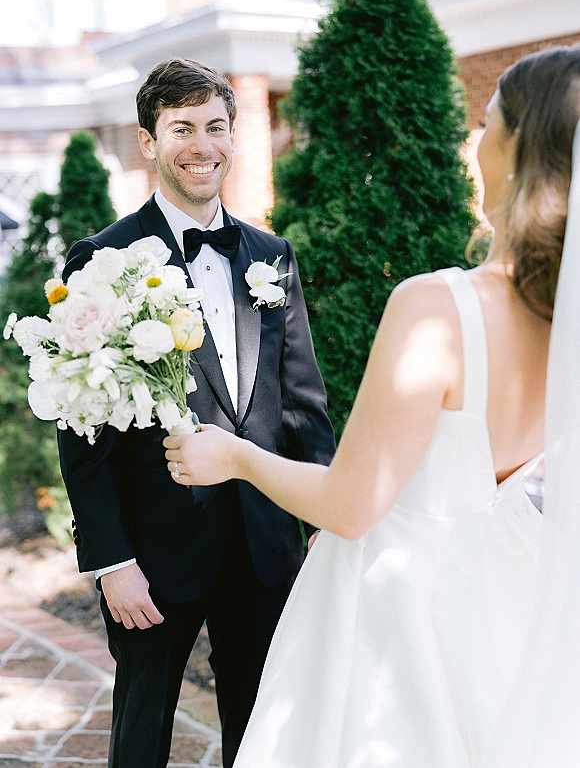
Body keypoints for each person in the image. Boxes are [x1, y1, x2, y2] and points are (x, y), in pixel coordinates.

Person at [164, 46, 580, 767]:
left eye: (486, 125)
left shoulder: (438, 305)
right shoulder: (562, 321)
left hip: (395, 612)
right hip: (507, 594)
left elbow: (350, 505)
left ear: (518, 150)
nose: (474, 146)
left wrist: (232, 454)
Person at [57, 58, 335, 768]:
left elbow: (303, 405)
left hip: (266, 541)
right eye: (181, 127)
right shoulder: (103, 257)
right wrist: (112, 558)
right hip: (153, 554)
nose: (201, 144)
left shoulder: (273, 256)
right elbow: (81, 430)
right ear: (148, 141)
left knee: (265, 731)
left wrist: (325, 523)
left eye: (215, 126)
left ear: (234, 136)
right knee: (142, 731)